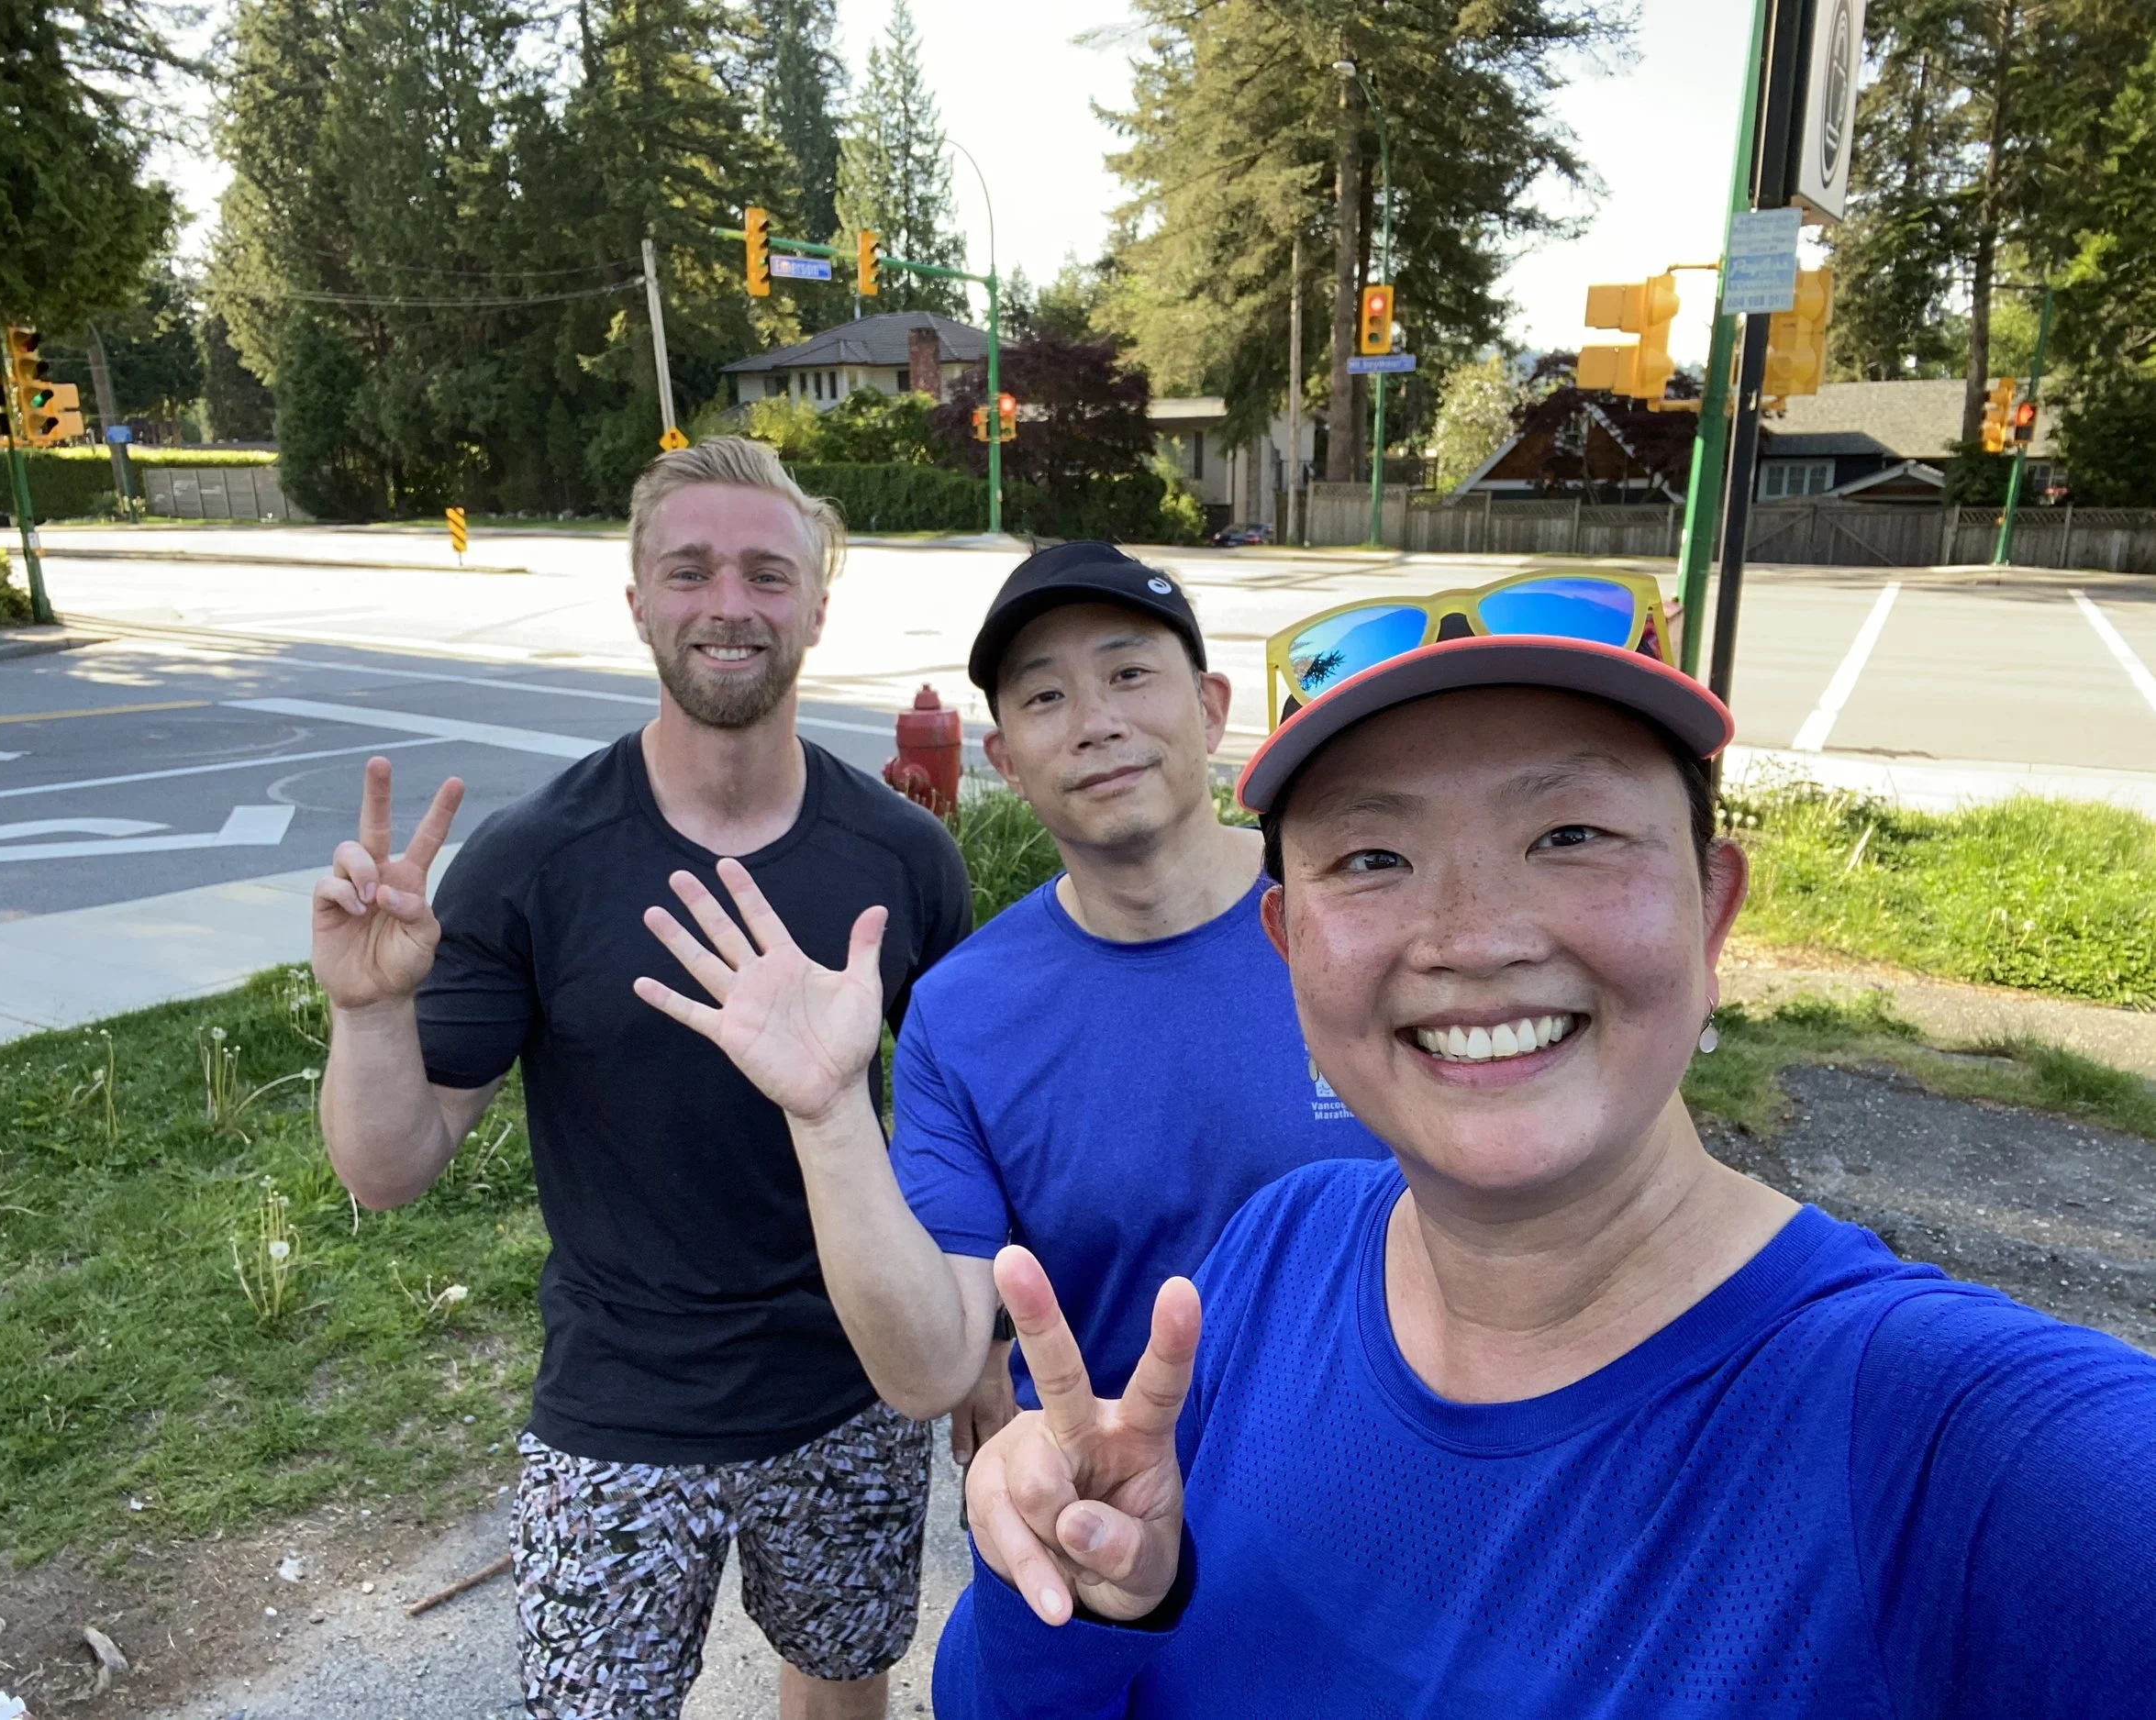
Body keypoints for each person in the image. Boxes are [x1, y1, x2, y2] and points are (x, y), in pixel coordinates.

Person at [935, 573, 2156, 1715]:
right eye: (1374, 856)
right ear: (1291, 943)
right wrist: (1072, 1588)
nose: (1472, 935)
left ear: (1712, 902)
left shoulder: (1963, 1445)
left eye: (1570, 832)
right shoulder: (1279, 1250)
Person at [311, 437, 971, 1720]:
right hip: (615, 1404)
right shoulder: (532, 860)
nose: (730, 601)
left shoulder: (905, 860)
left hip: (849, 1385)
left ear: (818, 607)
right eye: (691, 569)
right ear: (638, 601)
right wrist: (369, 1009)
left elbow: (966, 1141)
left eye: (769, 573)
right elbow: (386, 1170)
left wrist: (977, 1344)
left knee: (840, 1679)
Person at [632, 542, 1387, 1470]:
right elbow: (928, 1369)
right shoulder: (960, 1014)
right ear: (1006, 760)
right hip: (1100, 1515)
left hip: (1387, 1486)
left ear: (1210, 707)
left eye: (1130, 673)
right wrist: (827, 1116)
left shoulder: (1365, 923)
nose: (1095, 722)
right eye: (1044, 698)